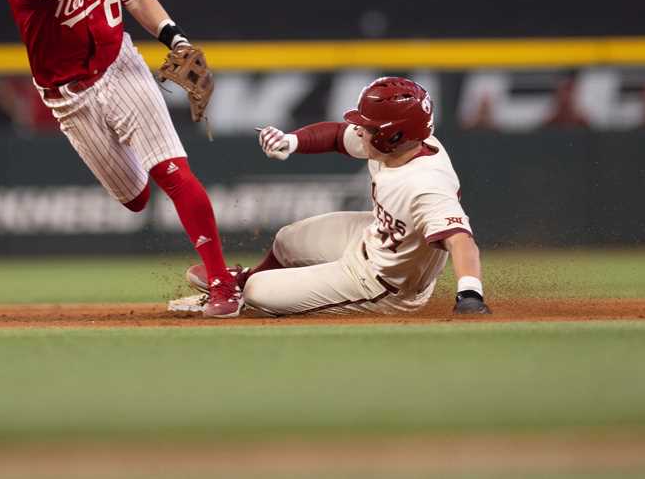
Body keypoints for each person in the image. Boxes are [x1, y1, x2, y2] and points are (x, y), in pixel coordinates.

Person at [3, 0, 243, 317]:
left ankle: (220, 282)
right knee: (135, 198)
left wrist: (176, 38)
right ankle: (208, 263)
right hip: (70, 98)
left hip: (121, 66)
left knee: (172, 170)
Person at [185, 77, 491, 316]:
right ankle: (235, 286)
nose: (358, 130)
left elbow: (461, 241)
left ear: (393, 134)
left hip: (385, 284)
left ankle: (246, 293)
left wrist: (470, 295)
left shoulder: (426, 183)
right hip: (374, 239)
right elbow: (335, 135)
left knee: (258, 291)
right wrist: (291, 141)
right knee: (287, 239)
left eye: (367, 126)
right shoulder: (398, 142)